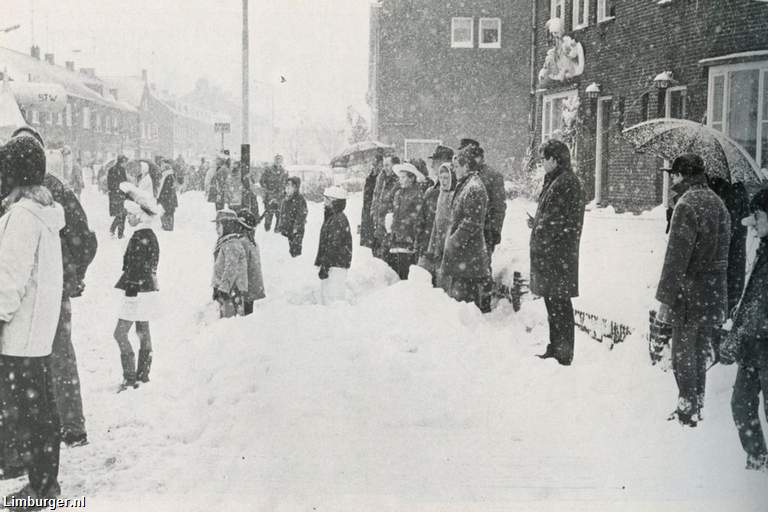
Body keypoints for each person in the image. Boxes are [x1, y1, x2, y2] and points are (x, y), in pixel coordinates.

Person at [0, 134, 65, 502]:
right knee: (40, 406)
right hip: (36, 330)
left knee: (31, 411)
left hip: (20, 329)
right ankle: (44, 480)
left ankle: (41, 487)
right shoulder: (44, 213)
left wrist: (0, 316)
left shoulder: (24, 217)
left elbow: (10, 277)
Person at [656, 153, 730, 426]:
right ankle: (697, 403)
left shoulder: (686, 204)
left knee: (682, 352)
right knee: (700, 350)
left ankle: (686, 408)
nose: (671, 181)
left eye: (673, 175)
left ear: (681, 175)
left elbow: (676, 258)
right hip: (713, 290)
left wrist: (665, 298)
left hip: (689, 291)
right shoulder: (719, 203)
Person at [721, 189, 768, 472]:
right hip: (753, 345)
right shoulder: (763, 249)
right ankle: (757, 458)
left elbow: (760, 306)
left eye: (758, 215)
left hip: (762, 342)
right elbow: (753, 300)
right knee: (741, 402)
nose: (752, 223)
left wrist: (736, 337)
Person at [529, 139, 584, 366]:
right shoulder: (556, 180)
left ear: (554, 159)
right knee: (553, 303)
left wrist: (541, 228)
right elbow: (552, 217)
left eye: (544, 158)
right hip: (554, 255)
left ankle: (563, 353)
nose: (542, 163)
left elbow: (558, 221)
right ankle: (555, 348)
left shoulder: (565, 183)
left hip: (558, 256)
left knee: (559, 305)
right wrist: (537, 224)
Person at [113, 182, 162, 392]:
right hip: (148, 290)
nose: (128, 218)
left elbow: (135, 269)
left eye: (130, 214)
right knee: (143, 330)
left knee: (120, 334)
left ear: (140, 215)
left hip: (136, 291)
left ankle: (130, 377)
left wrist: (131, 294)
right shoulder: (150, 235)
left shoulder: (139, 237)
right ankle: (143, 374)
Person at [458, 139, 507, 313]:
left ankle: (484, 304)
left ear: (479, 157)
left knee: (483, 268)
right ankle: (469, 303)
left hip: (485, 231)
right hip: (468, 230)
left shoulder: (492, 176)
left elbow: (499, 207)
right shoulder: (465, 175)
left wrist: (494, 230)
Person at [440, 148, 490, 309]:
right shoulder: (466, 185)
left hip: (468, 259)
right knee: (461, 303)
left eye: (456, 166)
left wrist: (453, 242)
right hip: (464, 259)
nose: (454, 170)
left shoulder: (473, 188)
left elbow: (472, 222)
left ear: (466, 166)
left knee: (464, 304)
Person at [417, 145, 454, 276]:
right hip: (427, 247)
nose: (432, 165)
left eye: (435, 161)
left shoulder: (454, 192)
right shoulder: (430, 190)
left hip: (444, 249)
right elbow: (421, 219)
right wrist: (420, 242)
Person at [386, 162, 424, 279]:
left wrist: (414, 238)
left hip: (408, 239)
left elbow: (418, 219)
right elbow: (395, 214)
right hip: (397, 238)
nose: (400, 180)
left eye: (403, 177)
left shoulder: (417, 194)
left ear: (411, 178)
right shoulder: (398, 193)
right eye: (400, 177)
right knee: (396, 272)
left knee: (407, 272)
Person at [315, 186, 352, 305]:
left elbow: (333, 246)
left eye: (327, 200)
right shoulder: (332, 217)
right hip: (333, 264)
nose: (324, 203)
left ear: (334, 202)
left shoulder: (338, 220)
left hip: (335, 266)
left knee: (334, 301)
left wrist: (325, 266)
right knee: (329, 299)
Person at [212, 208, 248, 318]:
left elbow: (231, 268)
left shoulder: (231, 245)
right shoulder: (226, 243)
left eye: (219, 225)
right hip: (228, 291)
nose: (216, 229)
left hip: (232, 292)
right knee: (226, 320)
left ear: (227, 225)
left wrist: (223, 289)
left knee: (229, 322)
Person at [236, 210, 266, 315]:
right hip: (252, 285)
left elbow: (241, 267)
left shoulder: (243, 242)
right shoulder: (252, 242)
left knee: (243, 314)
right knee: (248, 311)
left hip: (246, 286)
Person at [371, 155, 400, 259]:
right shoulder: (381, 179)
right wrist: (373, 213)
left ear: (395, 166)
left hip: (390, 225)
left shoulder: (399, 181)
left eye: (387, 165)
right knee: (377, 255)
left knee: (388, 257)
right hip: (379, 224)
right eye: (384, 165)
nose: (384, 168)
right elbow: (376, 197)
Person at [277, 176, 308, 257]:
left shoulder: (300, 200)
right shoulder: (285, 200)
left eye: (290, 186)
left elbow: (302, 215)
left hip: (295, 232)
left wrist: (296, 228)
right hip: (287, 230)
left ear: (296, 188)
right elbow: (282, 214)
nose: (287, 188)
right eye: (287, 185)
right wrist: (281, 226)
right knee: (287, 253)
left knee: (295, 252)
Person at [360, 153, 383, 249]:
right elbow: (366, 197)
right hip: (368, 211)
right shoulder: (370, 178)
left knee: (377, 242)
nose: (375, 167)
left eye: (378, 164)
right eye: (374, 164)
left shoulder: (382, 179)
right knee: (370, 243)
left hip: (376, 212)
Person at [260, 154, 288, 231]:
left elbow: (287, 184)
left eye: (280, 160)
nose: (278, 161)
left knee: (279, 215)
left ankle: (277, 231)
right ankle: (267, 230)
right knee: (269, 214)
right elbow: (262, 181)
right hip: (270, 196)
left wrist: (284, 192)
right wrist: (267, 190)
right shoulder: (268, 170)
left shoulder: (284, 172)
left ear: (282, 161)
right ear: (274, 161)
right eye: (277, 159)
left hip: (280, 197)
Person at [108, 155, 128, 238]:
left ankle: (116, 231)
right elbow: (123, 183)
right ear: (122, 162)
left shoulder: (114, 169)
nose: (126, 164)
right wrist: (119, 190)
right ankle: (118, 232)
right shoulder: (117, 170)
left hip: (117, 195)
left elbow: (110, 184)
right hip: (118, 195)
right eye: (125, 162)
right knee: (121, 214)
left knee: (121, 214)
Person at [157, 162, 178, 231]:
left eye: (162, 168)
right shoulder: (169, 176)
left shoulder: (167, 177)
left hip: (168, 199)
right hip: (170, 199)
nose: (161, 169)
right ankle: (167, 226)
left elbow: (165, 189)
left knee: (167, 212)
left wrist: (160, 198)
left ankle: (167, 227)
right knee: (168, 212)